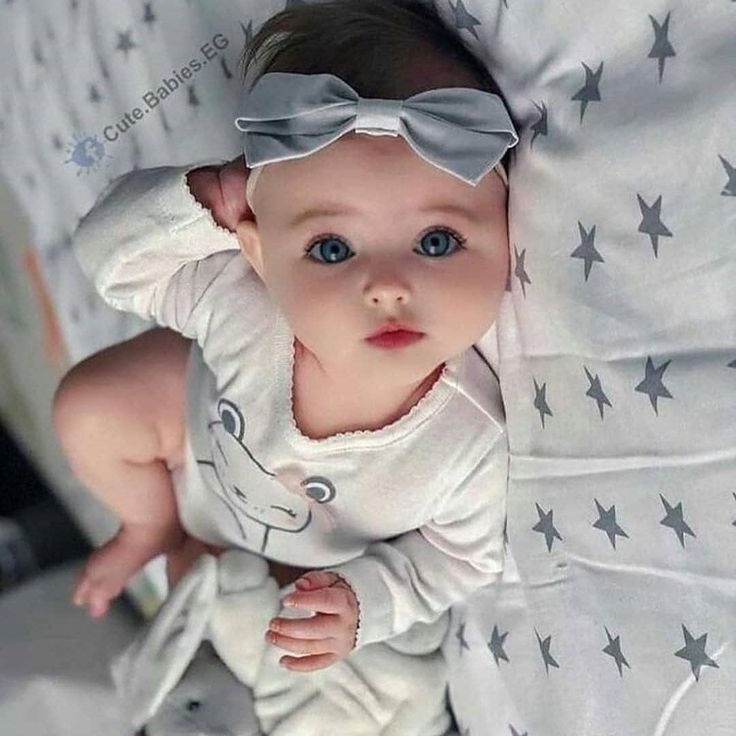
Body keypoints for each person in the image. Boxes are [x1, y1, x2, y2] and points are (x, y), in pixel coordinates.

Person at [52, 0, 517, 732]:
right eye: (331, 248)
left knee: (284, 642)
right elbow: (108, 264)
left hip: (300, 552)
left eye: (436, 241)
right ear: (261, 252)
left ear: (510, 235)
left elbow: (462, 562)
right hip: (192, 433)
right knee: (88, 405)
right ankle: (145, 522)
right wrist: (199, 205)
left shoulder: (466, 440)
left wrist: (366, 601)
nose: (387, 286)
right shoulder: (247, 303)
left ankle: (187, 554)